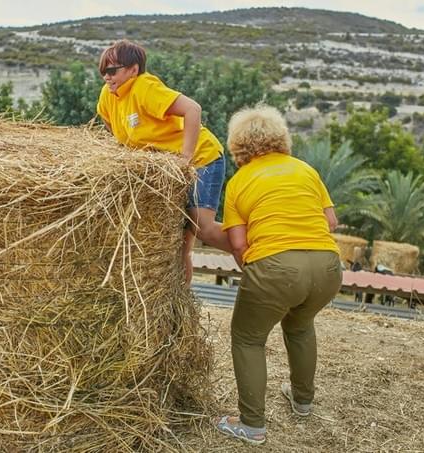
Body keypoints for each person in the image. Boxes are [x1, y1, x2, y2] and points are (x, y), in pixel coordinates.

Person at [213, 105, 342, 445]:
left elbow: (238, 244)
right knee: (299, 326)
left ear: (237, 145)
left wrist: (259, 274)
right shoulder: (305, 170)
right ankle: (302, 401)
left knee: (248, 338)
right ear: (281, 138)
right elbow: (331, 222)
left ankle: (251, 424)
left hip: (276, 266)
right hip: (328, 266)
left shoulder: (239, 181)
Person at [96, 39, 231, 283]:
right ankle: (177, 309)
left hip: (202, 158)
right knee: (179, 245)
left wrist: (185, 158)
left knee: (202, 227)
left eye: (112, 70)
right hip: (168, 171)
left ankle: (261, 249)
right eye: (103, 71)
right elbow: (113, 128)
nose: (106, 76)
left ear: (133, 70)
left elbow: (193, 109)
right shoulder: (109, 95)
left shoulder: (145, 87)